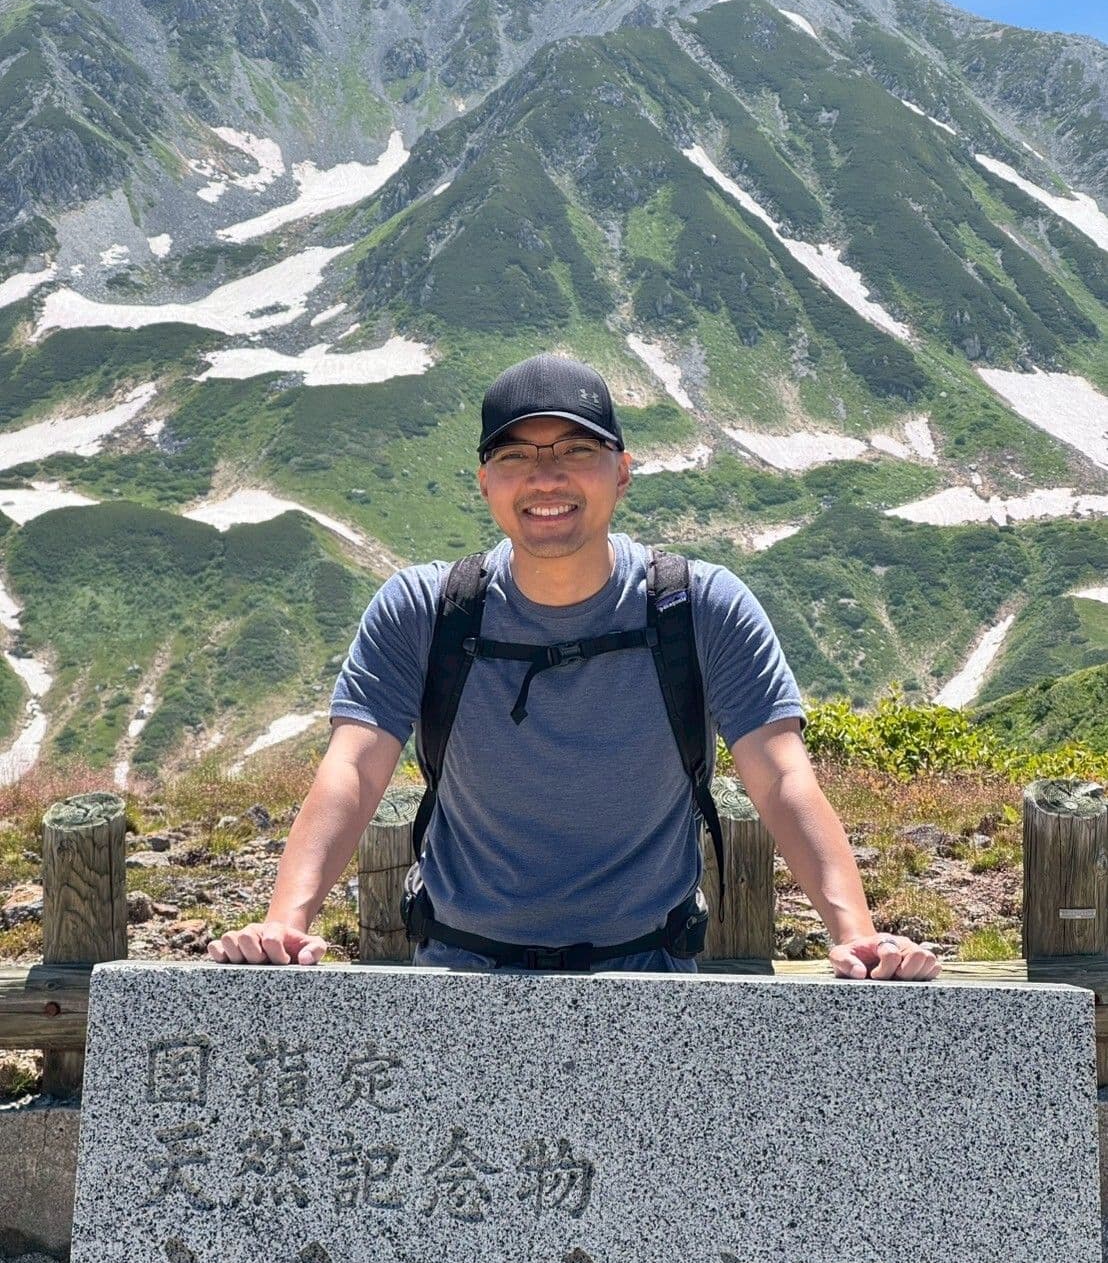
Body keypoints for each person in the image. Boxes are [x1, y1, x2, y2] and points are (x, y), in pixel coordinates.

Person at [208, 353, 939, 982]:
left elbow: (782, 778)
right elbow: (353, 771)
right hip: (461, 982)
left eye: (575, 452)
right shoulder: (423, 609)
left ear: (622, 472)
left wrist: (856, 936)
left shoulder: (700, 606)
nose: (546, 477)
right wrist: (285, 921)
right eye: (516, 456)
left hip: (648, 983)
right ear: (485, 481)